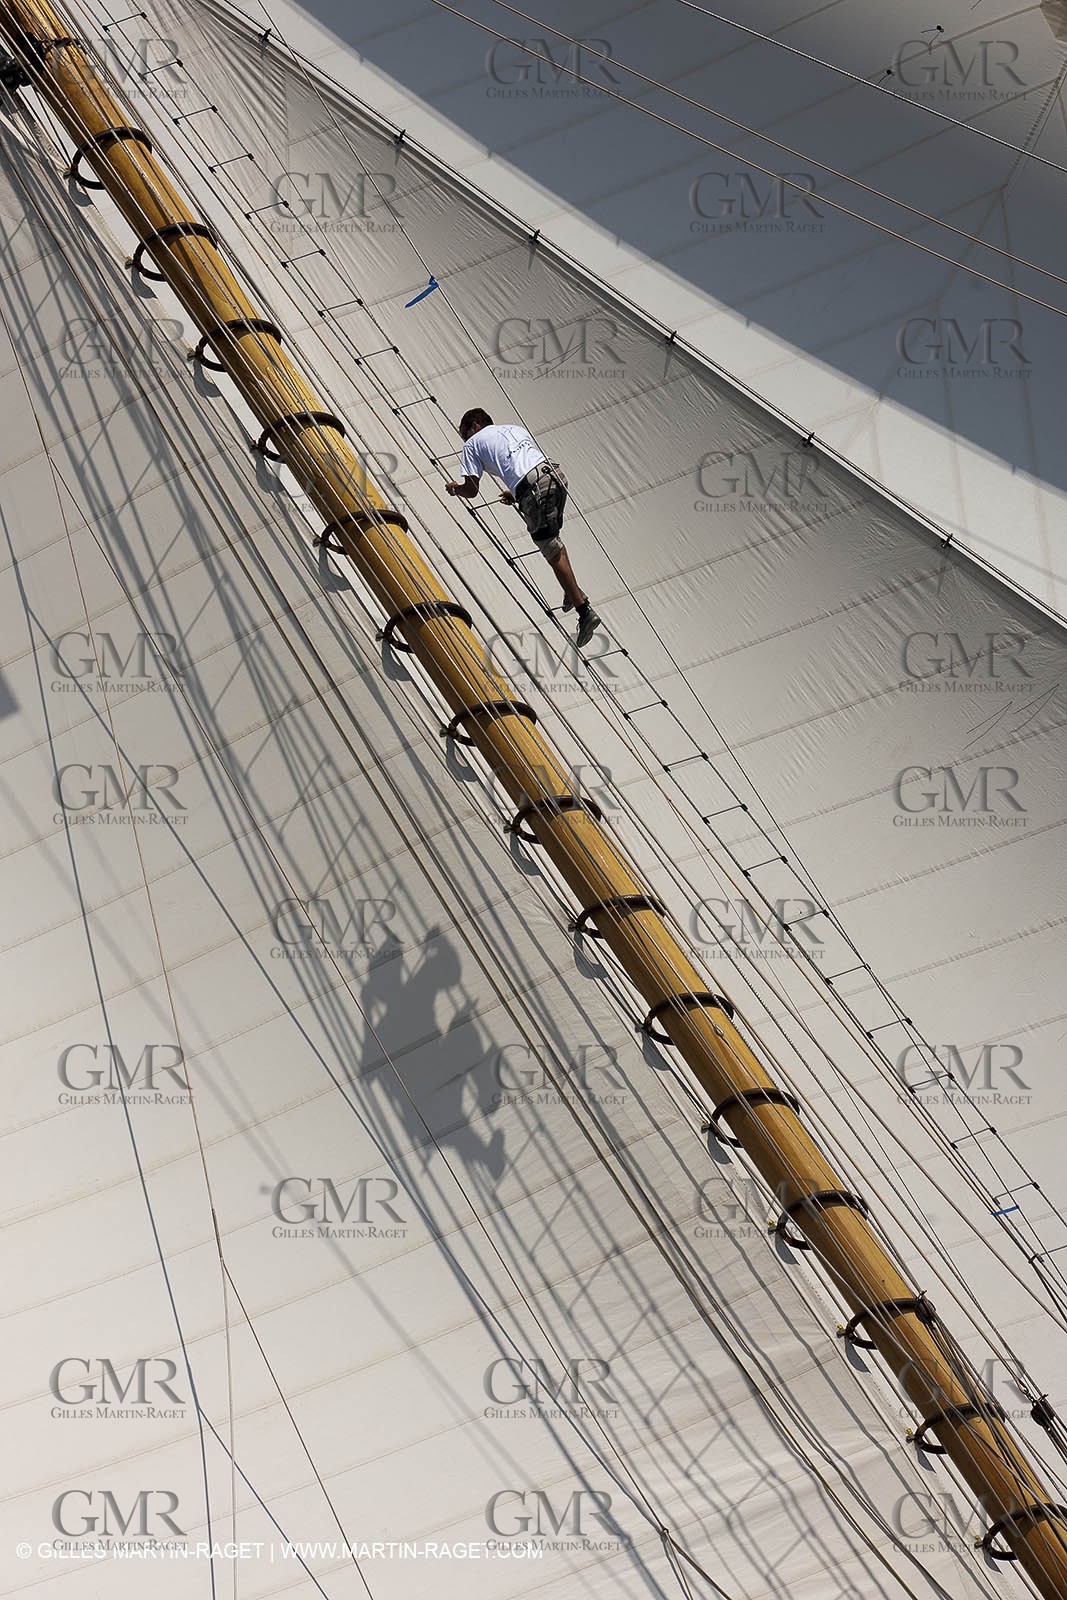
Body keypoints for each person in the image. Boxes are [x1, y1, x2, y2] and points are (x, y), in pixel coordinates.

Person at [445, 409, 601, 648]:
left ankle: (583, 611)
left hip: (535, 489)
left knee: (549, 547)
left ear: (474, 426)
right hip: (554, 477)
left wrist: (455, 488)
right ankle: (572, 591)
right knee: (553, 539)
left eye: (464, 434)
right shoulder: (514, 428)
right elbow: (523, 463)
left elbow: (472, 490)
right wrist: (518, 494)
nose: (464, 440)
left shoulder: (472, 444)